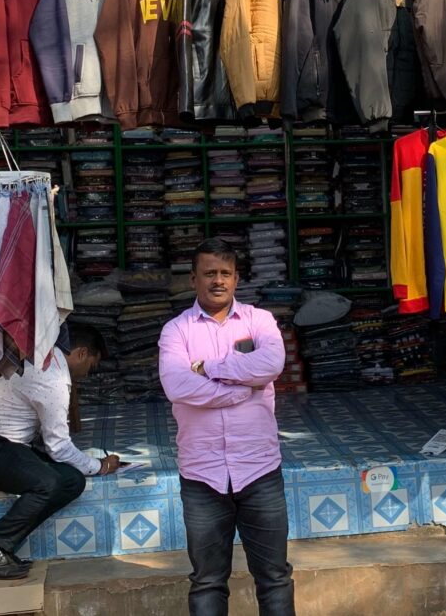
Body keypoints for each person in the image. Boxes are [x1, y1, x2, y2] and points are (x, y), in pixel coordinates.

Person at [158, 238, 294, 616]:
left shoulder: (260, 321)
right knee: (207, 582)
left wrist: (209, 368)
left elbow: (270, 366)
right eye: (209, 273)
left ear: (236, 279)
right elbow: (177, 385)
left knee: (275, 577)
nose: (218, 281)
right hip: (203, 476)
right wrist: (240, 390)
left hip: (260, 471)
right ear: (193, 279)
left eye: (225, 273)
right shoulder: (176, 331)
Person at [0, 323, 121, 579]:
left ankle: (1, 541)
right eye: (91, 365)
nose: (88, 374)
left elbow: (54, 448)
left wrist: (87, 468)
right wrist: (101, 466)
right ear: (80, 353)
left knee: (72, 481)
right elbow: (58, 447)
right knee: (47, 482)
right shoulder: (53, 376)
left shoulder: (48, 362)